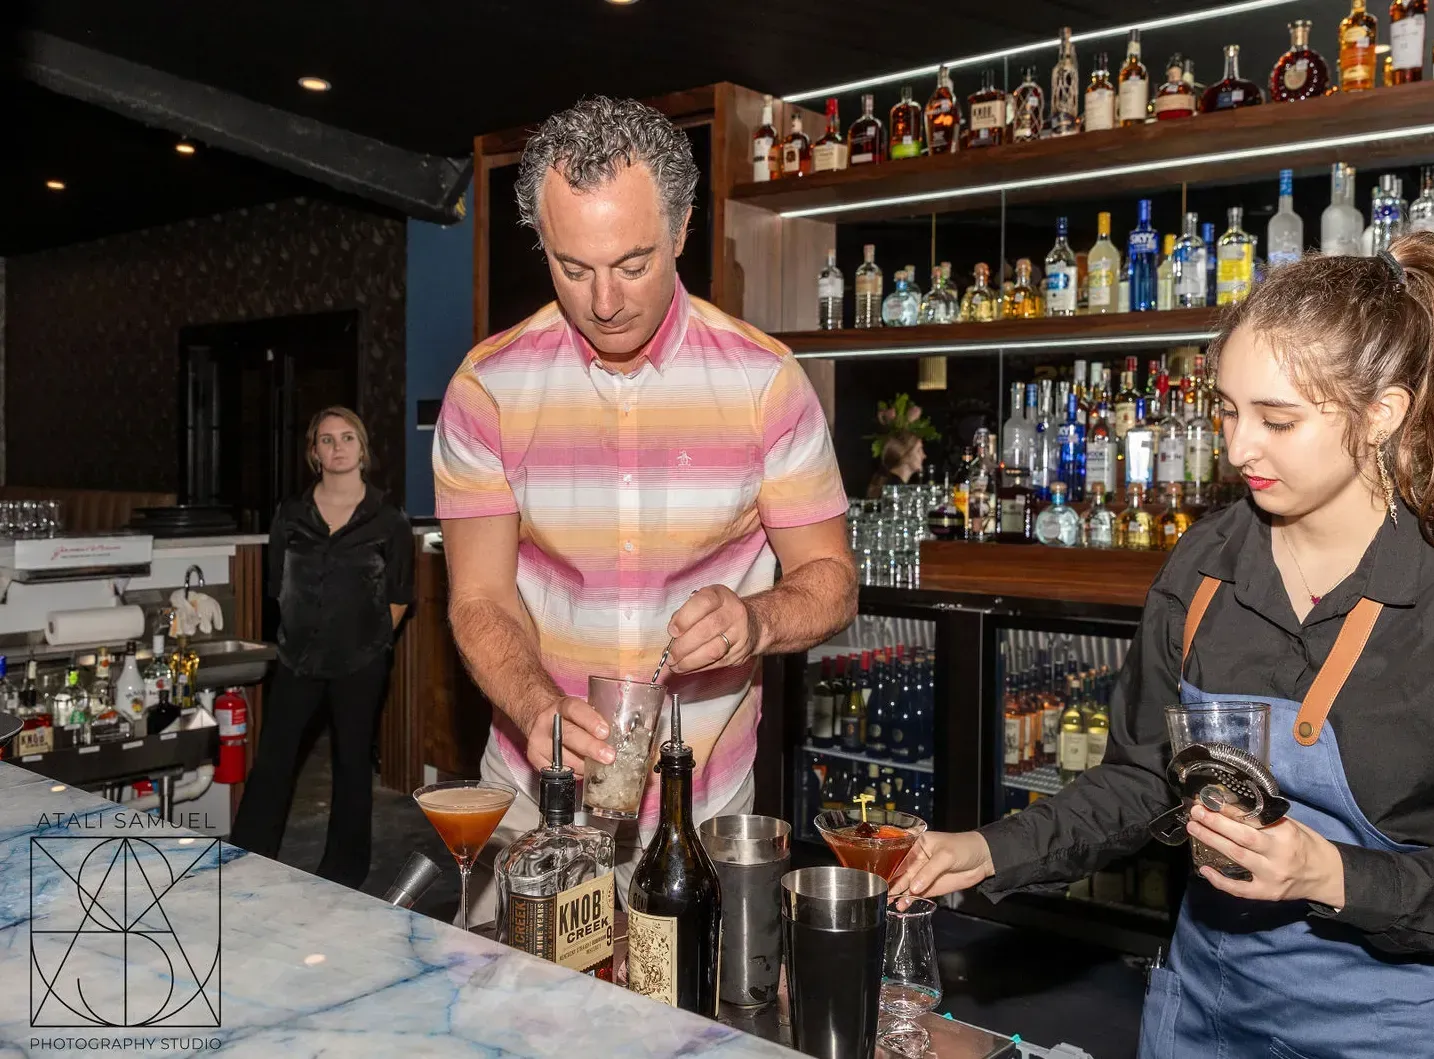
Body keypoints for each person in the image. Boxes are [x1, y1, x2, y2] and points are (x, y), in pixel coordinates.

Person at [891, 234, 1434, 1058]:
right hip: (1209, 1013)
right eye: (1226, 409)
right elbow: (1141, 778)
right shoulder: (1206, 567)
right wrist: (987, 848)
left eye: (1278, 419)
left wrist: (1334, 875)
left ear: (1383, 413)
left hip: (1409, 1028)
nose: (1237, 448)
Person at [433, 97, 857, 926]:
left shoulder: (765, 383)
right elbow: (479, 598)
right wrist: (537, 707)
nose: (604, 301)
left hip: (707, 814)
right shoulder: (489, 389)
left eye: (632, 264)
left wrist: (756, 621)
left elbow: (832, 579)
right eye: (572, 267)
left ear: (682, 228)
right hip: (534, 803)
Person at [231, 407, 413, 890]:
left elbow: (399, 596)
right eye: (327, 440)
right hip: (297, 659)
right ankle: (247, 856)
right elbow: (276, 587)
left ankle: (344, 874)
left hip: (361, 662)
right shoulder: (291, 514)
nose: (338, 448)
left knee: (352, 765)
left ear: (362, 448)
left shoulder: (387, 518)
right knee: (273, 760)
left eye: (347, 437)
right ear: (314, 452)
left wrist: (373, 642)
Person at [865, 431, 925, 499]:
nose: (924, 455)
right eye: (919, 450)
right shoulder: (896, 492)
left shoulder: (890, 485)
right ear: (905, 455)